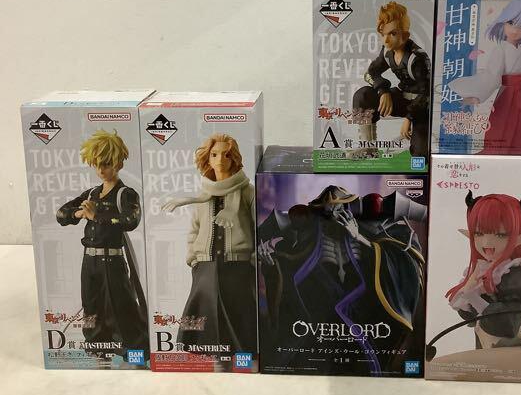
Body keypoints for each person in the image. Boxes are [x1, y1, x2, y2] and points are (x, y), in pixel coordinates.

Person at [257, 186, 426, 376]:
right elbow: (278, 255)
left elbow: (402, 250)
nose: (333, 214)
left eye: (338, 208)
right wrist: (271, 263)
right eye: (327, 210)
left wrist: (359, 237)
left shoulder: (368, 220)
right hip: (321, 314)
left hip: (363, 311)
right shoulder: (308, 226)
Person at [56, 129, 149, 359]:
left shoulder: (125, 194)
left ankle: (133, 350)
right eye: (96, 164)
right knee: (91, 304)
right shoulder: (92, 193)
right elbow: (61, 214)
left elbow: (131, 220)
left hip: (112, 260)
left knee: (120, 304)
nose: (100, 169)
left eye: (106, 164)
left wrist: (96, 216)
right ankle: (97, 347)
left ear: (118, 163)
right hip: (89, 260)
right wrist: (78, 214)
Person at [162, 134, 256, 354]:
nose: (220, 160)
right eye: (214, 155)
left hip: (237, 266)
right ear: (207, 159)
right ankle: (207, 352)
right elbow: (195, 229)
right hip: (205, 265)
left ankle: (240, 355)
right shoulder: (203, 195)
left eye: (226, 155)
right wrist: (193, 259)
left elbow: (258, 226)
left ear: (234, 159)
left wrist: (252, 259)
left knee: (239, 313)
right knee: (203, 312)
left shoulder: (248, 192)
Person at [445, 191, 521, 367]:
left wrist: (472, 296)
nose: (486, 243)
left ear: (518, 237)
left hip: (510, 349)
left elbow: (506, 323)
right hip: (485, 348)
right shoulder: (480, 270)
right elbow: (469, 316)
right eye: (479, 233)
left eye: (500, 235)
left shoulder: (515, 275)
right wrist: (469, 290)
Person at [449, 0, 521, 154]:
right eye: (511, 23)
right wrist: (477, 95)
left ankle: (519, 155)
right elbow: (492, 75)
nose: (515, 30)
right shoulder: (501, 50)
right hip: (507, 96)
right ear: (503, 22)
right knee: (502, 125)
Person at [352, 1, 430, 158]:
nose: (386, 40)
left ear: (405, 35)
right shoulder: (387, 51)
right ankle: (368, 148)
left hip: (421, 106)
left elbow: (426, 93)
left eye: (392, 34)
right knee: (363, 95)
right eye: (383, 34)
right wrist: (383, 91)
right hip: (401, 98)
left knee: (420, 155)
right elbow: (371, 72)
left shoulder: (417, 58)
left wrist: (409, 118)